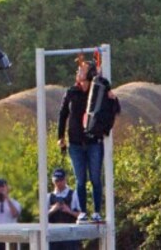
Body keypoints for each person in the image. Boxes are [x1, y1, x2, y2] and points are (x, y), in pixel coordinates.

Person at [57, 58, 120, 224]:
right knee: (80, 179)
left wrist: (112, 98)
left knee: (95, 178)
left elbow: (115, 109)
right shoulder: (71, 92)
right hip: (75, 143)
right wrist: (60, 137)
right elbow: (63, 115)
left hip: (93, 142)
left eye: (82, 70)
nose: (78, 73)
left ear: (90, 74)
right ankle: (83, 211)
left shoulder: (99, 90)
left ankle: (97, 211)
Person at [48, 169, 81, 250]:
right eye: (57, 180)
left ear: (65, 179)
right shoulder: (48, 196)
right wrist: (53, 209)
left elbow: (82, 215)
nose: (59, 183)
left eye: (61, 180)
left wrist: (68, 211)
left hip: (70, 236)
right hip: (53, 236)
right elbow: (41, 218)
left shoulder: (74, 194)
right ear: (53, 181)